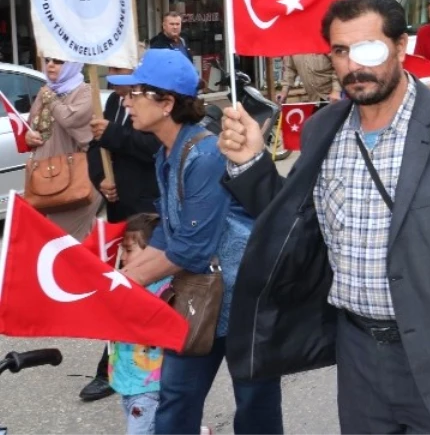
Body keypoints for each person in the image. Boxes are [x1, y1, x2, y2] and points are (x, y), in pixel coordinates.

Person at [217, 0, 430, 432]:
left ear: (401, 47)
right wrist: (252, 162)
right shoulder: (321, 131)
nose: (353, 65)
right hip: (359, 355)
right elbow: (296, 229)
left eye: (368, 49)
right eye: (340, 51)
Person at [113, 50, 282, 435]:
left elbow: (191, 247)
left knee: (256, 407)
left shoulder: (205, 154)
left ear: (167, 102)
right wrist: (116, 281)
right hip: (199, 298)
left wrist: (124, 285)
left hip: (244, 301)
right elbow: (169, 233)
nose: (125, 102)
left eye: (134, 92)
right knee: (176, 398)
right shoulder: (168, 152)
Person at [81, 66, 162, 404]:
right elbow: (93, 148)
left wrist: (113, 133)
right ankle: (111, 368)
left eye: (120, 69)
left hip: (149, 215)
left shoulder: (151, 100)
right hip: (118, 214)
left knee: (144, 291)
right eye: (110, 70)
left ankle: (146, 366)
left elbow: (152, 147)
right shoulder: (112, 102)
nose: (115, 76)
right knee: (120, 288)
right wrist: (101, 178)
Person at [108, 213, 171, 435]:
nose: (123, 257)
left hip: (149, 386)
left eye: (129, 250)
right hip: (129, 380)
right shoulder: (127, 285)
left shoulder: (162, 289)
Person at [26, 59, 102, 240]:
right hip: (46, 181)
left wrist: (50, 99)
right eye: (47, 61)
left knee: (65, 244)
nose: (50, 65)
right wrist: (29, 137)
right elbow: (33, 124)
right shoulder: (46, 90)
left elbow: (70, 120)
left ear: (72, 66)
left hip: (76, 181)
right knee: (69, 243)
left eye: (58, 61)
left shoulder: (86, 93)